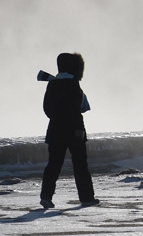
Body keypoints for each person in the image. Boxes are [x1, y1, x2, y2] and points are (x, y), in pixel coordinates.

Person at [39, 52, 99, 209]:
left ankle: (46, 196)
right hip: (74, 131)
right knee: (80, 166)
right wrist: (78, 128)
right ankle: (86, 197)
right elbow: (79, 109)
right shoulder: (74, 85)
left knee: (53, 165)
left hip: (55, 131)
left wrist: (58, 117)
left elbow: (47, 110)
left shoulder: (52, 84)